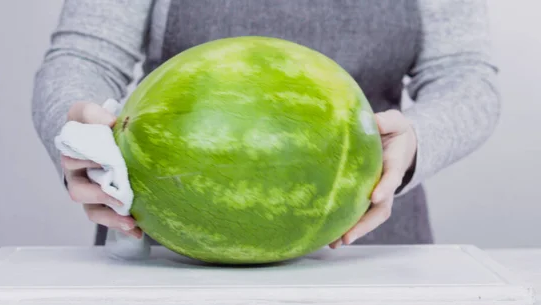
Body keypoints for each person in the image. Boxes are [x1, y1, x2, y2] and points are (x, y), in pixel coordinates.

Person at [32, 0, 500, 248]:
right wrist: (81, 140)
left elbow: (466, 78)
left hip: (371, 244)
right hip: (166, 250)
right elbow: (82, 55)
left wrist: (416, 141)